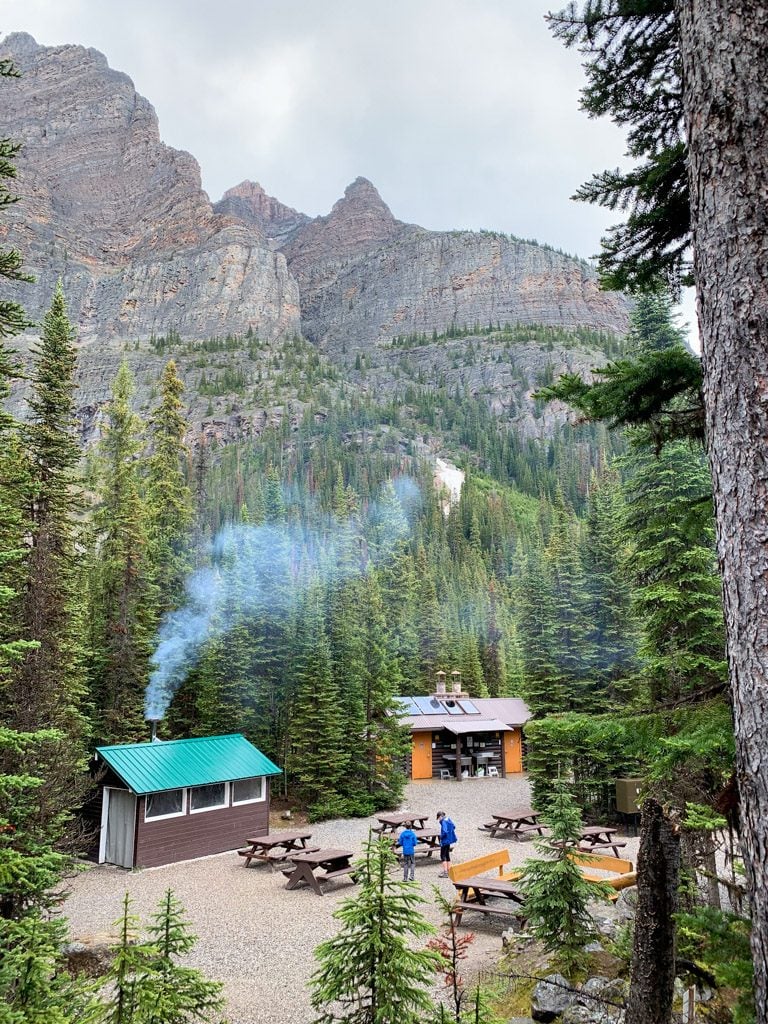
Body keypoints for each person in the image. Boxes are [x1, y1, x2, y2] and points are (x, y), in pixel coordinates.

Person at [436, 810, 457, 877]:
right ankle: (449, 870)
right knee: (447, 855)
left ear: (441, 816)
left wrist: (441, 837)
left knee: (442, 856)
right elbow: (454, 826)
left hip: (445, 841)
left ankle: (445, 872)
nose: (438, 819)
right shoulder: (448, 819)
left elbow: (444, 831)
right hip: (449, 840)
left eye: (438, 818)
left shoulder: (444, 822)